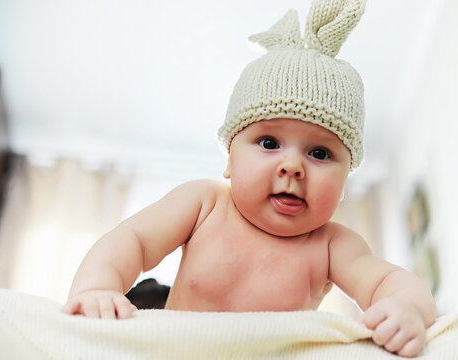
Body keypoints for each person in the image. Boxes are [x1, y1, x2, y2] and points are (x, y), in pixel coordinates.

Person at [62, 0, 436, 357]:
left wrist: (407, 310)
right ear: (229, 160)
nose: (292, 167)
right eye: (269, 142)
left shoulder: (332, 246)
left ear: (344, 184)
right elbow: (133, 241)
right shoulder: (203, 204)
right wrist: (98, 287)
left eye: (319, 153)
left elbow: (389, 281)